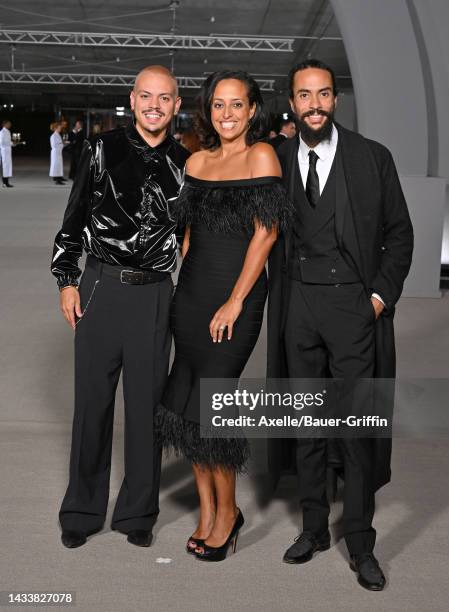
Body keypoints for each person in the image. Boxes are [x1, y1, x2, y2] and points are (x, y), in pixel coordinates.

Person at [267, 59, 413, 590]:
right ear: (292, 102)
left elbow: (400, 234)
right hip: (298, 304)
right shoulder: (276, 158)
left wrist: (377, 299)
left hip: (353, 305)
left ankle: (360, 541)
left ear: (336, 100)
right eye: (304, 95)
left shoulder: (372, 158)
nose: (314, 104)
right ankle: (313, 528)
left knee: (356, 428)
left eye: (323, 94)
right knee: (305, 422)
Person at [51, 65, 190, 549]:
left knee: (146, 408)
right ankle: (82, 511)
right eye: (146, 96)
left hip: (154, 294)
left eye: (164, 97)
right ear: (132, 100)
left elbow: (189, 237)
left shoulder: (187, 163)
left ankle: (137, 515)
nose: (155, 105)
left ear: (176, 104)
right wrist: (67, 281)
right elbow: (73, 220)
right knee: (92, 404)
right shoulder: (99, 149)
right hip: (100, 287)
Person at [156, 70, 292, 562]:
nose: (227, 114)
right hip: (191, 295)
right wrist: (179, 287)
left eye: (237, 105)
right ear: (208, 109)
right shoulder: (196, 159)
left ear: (253, 109)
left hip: (234, 298)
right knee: (187, 404)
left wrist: (235, 300)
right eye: (218, 105)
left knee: (214, 410)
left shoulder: (261, 155)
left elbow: (266, 235)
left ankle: (229, 513)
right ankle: (207, 512)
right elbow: (189, 234)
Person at [0, 120, 14, 187]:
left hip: (8, 151)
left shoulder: (8, 131)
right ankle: (4, 183)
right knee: (5, 167)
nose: (10, 125)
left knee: (8, 166)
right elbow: (1, 142)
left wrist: (13, 143)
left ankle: (7, 182)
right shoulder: (2, 132)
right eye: (8, 124)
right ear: (4, 124)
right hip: (4, 151)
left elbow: (9, 141)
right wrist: (9, 144)